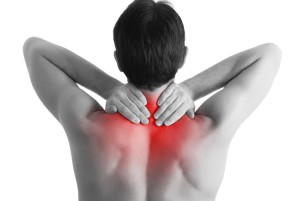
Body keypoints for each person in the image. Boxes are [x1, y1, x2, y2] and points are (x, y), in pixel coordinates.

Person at [23, 0, 281, 200]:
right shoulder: (212, 128)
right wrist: (191, 89)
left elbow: (35, 49)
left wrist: (107, 87)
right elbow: (269, 54)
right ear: (183, 57)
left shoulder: (86, 124)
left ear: (117, 60)